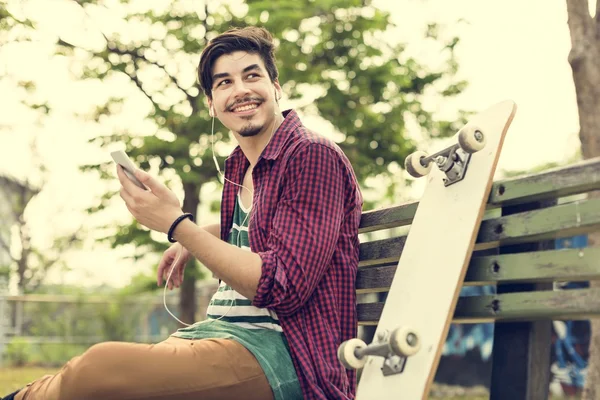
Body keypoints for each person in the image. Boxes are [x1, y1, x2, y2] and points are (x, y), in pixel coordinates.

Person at [4, 26, 363, 400]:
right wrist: (201, 235)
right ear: (211, 103)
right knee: (70, 377)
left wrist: (178, 225)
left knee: (97, 369)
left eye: (251, 75)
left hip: (285, 357)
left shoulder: (311, 155)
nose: (240, 90)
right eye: (224, 83)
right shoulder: (242, 164)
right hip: (219, 333)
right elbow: (259, 226)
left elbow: (279, 287)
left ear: (276, 87)